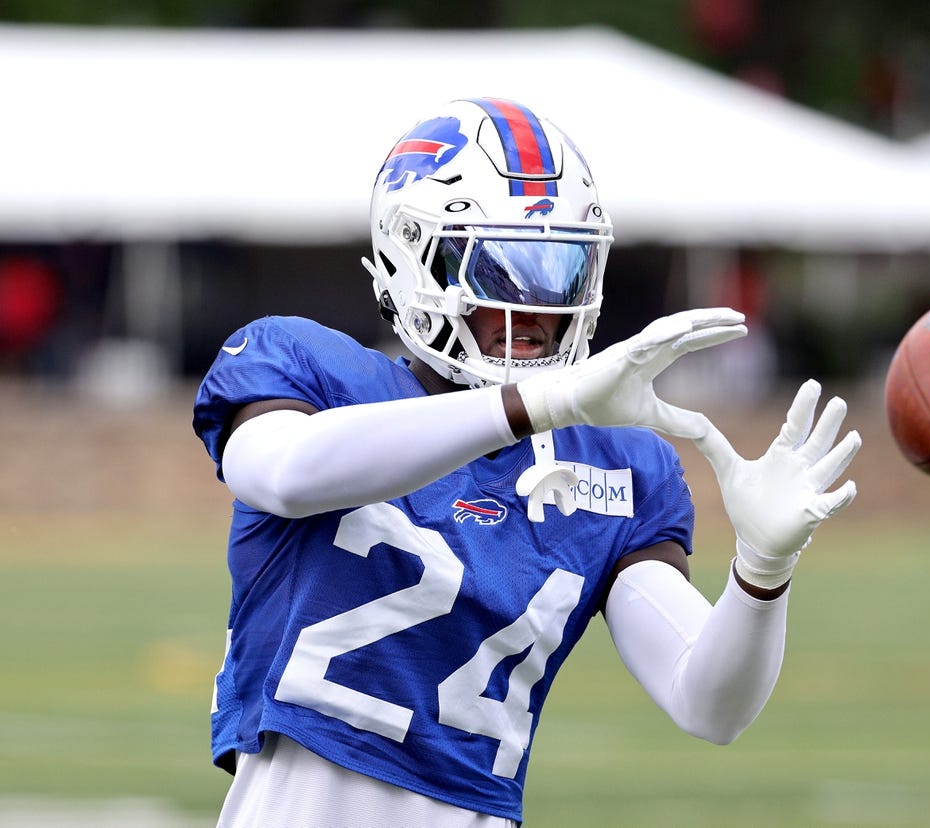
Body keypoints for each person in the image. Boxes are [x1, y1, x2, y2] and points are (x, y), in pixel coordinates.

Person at [192, 96, 861, 828]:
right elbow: (286, 475)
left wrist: (762, 574)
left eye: (560, 267)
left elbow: (708, 703)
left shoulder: (620, 465)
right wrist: (539, 404)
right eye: (504, 266)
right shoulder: (309, 371)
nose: (539, 305)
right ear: (416, 259)